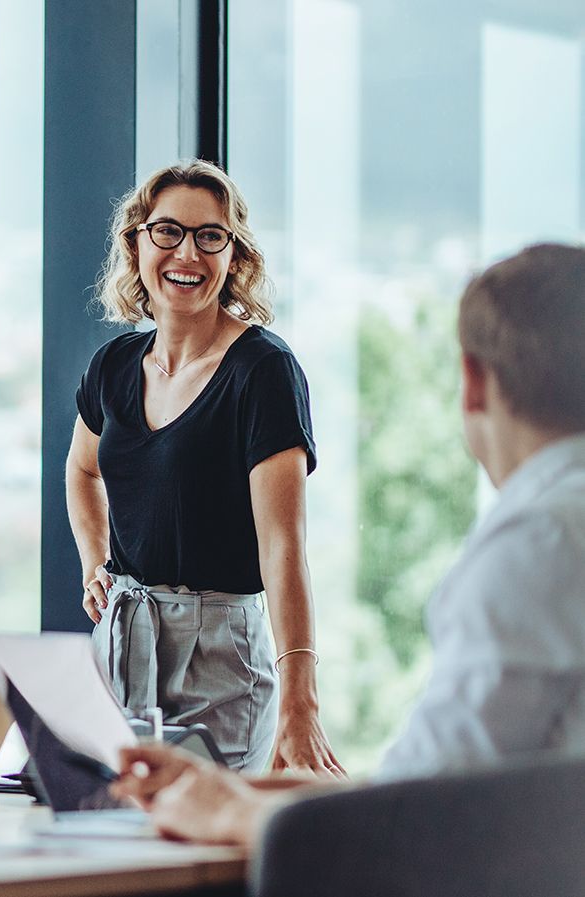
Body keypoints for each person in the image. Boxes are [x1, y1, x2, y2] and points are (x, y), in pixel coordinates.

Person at [110, 242, 585, 846]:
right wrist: (237, 790)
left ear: (472, 383)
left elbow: (418, 820)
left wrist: (231, 814)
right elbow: (433, 782)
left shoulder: (538, 544)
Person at [65, 159, 343, 776]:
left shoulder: (263, 371)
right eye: (167, 231)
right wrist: (94, 560)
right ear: (136, 242)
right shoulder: (112, 366)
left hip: (219, 655)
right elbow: (82, 471)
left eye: (209, 235)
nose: (186, 252)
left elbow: (283, 549)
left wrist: (302, 701)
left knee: (201, 856)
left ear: (233, 255)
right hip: (120, 642)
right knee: (111, 844)